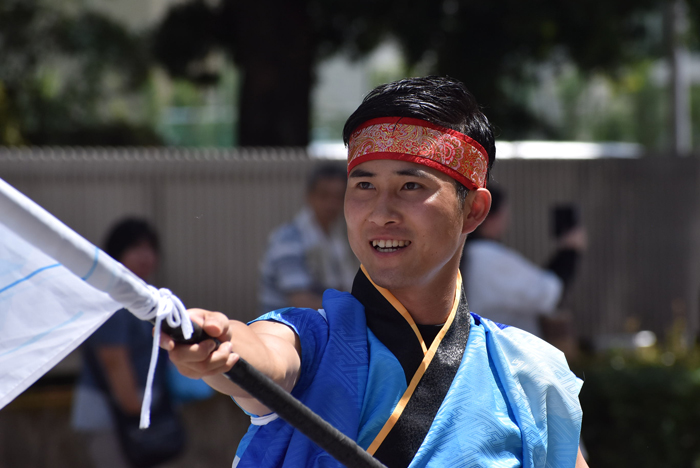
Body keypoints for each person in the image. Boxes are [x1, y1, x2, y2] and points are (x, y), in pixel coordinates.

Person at [161, 76, 589, 468]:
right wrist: (224, 347)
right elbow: (268, 356)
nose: (380, 213)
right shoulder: (312, 339)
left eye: (411, 186)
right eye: (363, 185)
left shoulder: (529, 374)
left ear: (473, 210)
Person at [72, 218, 181, 468]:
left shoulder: (140, 296)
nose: (146, 255)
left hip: (134, 413)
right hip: (115, 416)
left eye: (150, 247)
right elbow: (113, 362)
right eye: (135, 247)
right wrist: (140, 413)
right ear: (116, 252)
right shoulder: (113, 299)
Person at [462, 186, 587, 337]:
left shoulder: (464, 253)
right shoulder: (488, 257)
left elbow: (538, 286)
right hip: (503, 351)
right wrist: (570, 250)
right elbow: (548, 293)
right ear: (484, 211)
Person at [258, 163, 358, 313]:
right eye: (324, 195)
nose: (331, 204)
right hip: (285, 327)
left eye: (338, 197)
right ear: (309, 196)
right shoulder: (288, 240)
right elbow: (301, 302)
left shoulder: (336, 236)